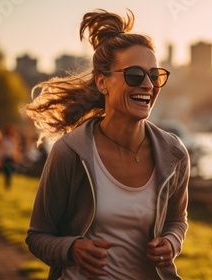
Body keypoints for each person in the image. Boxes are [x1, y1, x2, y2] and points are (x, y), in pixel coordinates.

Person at [25, 9, 190, 280]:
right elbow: (38, 236)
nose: (148, 84)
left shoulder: (174, 154)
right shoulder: (70, 152)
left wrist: (171, 241)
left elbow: (177, 221)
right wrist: (72, 248)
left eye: (154, 75)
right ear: (103, 82)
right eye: (135, 75)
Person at [0, 124, 21, 189]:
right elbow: (2, 149)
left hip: (12, 157)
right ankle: (6, 184)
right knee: (6, 172)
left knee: (10, 171)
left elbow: (17, 149)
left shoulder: (14, 139)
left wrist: (17, 157)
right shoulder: (4, 139)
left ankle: (9, 184)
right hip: (6, 157)